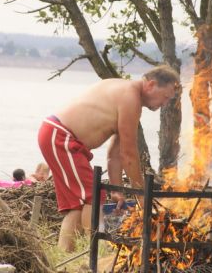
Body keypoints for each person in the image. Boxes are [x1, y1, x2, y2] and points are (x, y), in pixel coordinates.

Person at [38, 64, 180, 252]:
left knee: (78, 204)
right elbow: (129, 154)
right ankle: (95, 252)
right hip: (61, 136)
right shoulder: (130, 97)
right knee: (93, 196)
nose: (165, 104)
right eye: (165, 97)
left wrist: (117, 190)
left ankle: (66, 255)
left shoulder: (128, 96)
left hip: (58, 135)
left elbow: (115, 154)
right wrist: (141, 195)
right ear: (151, 84)